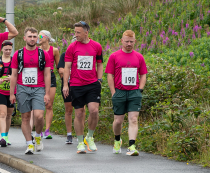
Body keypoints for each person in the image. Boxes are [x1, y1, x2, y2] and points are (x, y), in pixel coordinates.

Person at [62, 21, 103, 154]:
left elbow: (100, 64)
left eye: (78, 32)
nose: (76, 34)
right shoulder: (72, 47)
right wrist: (65, 84)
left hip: (92, 84)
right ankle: (80, 142)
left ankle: (89, 137)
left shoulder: (96, 46)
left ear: (86, 32)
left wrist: (99, 80)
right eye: (75, 32)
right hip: (76, 84)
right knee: (79, 113)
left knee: (94, 111)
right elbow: (67, 67)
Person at [9, 28, 52, 155]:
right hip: (22, 88)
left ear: (37, 39)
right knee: (25, 117)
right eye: (30, 36)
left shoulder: (43, 54)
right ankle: (29, 144)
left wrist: (47, 93)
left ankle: (38, 136)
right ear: (25, 38)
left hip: (39, 88)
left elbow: (47, 74)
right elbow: (14, 75)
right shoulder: (18, 54)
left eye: (34, 36)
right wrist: (12, 93)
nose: (32, 39)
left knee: (39, 116)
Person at [106, 30, 148, 156]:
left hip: (134, 92)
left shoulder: (139, 57)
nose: (129, 44)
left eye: (131, 41)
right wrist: (113, 92)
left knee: (133, 119)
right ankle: (117, 140)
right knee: (118, 121)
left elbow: (143, 74)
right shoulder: (114, 56)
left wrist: (140, 89)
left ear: (135, 41)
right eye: (126, 41)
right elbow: (109, 75)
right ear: (122, 41)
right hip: (119, 92)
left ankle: (131, 146)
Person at [38, 31, 61, 140]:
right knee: (39, 105)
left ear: (47, 38)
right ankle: (39, 129)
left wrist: (65, 81)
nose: (39, 38)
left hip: (50, 77)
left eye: (41, 36)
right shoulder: (37, 50)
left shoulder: (55, 50)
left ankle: (47, 130)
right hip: (39, 77)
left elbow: (59, 66)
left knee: (49, 105)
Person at [0, 41, 15, 147]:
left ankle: (6, 135)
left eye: (9, 50)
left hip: (11, 92)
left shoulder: (14, 61)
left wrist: (12, 78)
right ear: (2, 49)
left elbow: (19, 75)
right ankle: (3, 137)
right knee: (2, 114)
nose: (7, 51)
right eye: (6, 49)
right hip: (0, 92)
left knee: (9, 115)